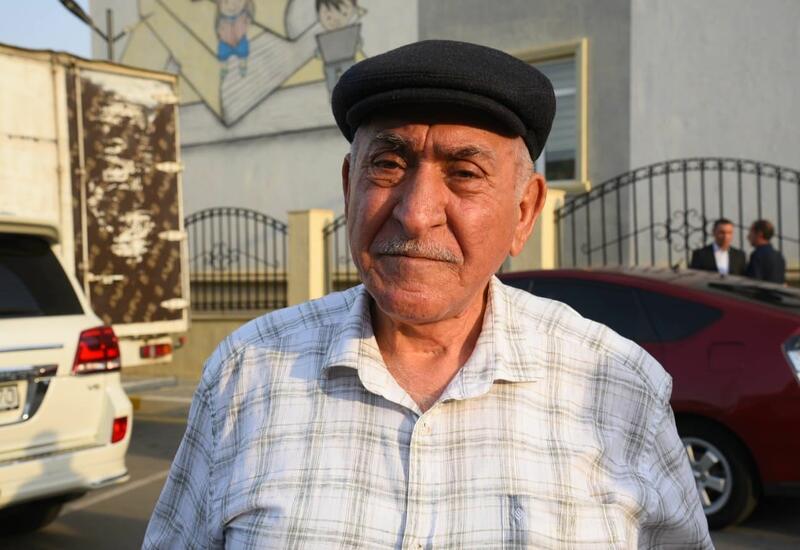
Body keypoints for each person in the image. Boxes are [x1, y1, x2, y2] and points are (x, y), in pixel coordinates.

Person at [144, 40, 711, 548]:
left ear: (524, 211)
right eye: (388, 165)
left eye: (464, 173)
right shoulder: (246, 373)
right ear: (349, 187)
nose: (415, 214)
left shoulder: (619, 388)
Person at [746, 219, 786, 283]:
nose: (748, 236)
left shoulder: (757, 255)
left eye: (751, 232)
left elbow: (753, 283)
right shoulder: (779, 256)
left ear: (759, 234)